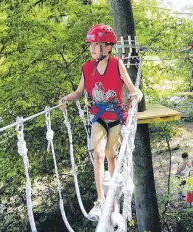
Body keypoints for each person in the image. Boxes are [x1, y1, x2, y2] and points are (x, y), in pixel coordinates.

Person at [59, 24, 143, 220]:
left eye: (96, 44)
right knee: (97, 155)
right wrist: (65, 99)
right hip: (98, 117)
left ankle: (113, 198)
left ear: (108, 47)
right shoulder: (87, 68)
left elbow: (133, 89)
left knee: (111, 156)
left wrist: (136, 96)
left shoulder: (116, 64)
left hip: (116, 118)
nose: (92, 48)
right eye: (91, 45)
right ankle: (100, 200)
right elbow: (79, 92)